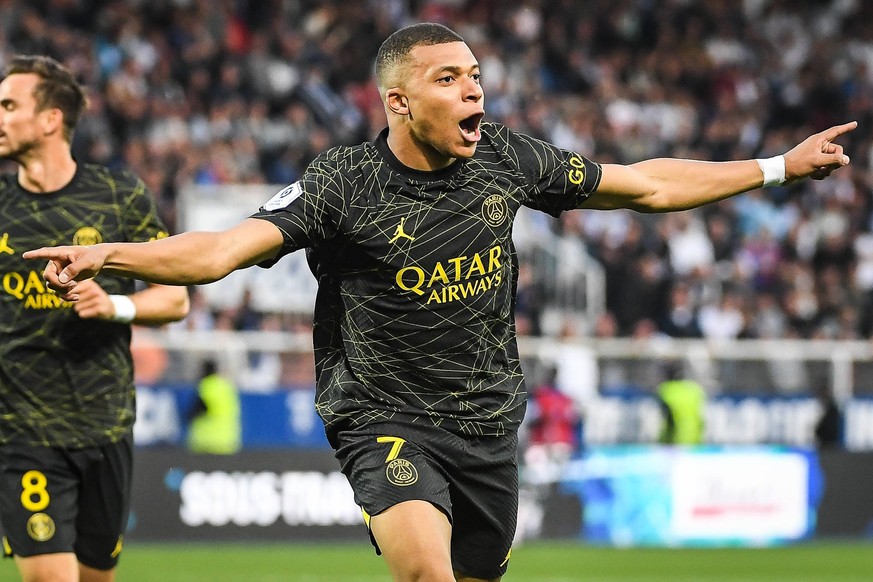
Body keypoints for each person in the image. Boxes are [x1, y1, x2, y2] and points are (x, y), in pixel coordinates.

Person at [25, 23, 855, 582]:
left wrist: (775, 167)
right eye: (449, 79)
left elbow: (643, 188)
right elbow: (213, 254)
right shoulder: (341, 184)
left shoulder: (506, 159)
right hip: (380, 413)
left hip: (486, 422)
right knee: (426, 572)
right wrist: (111, 252)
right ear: (397, 100)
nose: (474, 94)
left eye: (477, 79)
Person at [0, 55, 190, 582]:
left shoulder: (117, 196)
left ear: (50, 119)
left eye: (8, 105)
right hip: (22, 428)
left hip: (106, 423)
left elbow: (174, 300)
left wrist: (115, 306)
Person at [186, 359, 242, 454]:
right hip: (227, 441)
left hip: (207, 442)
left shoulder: (206, 386)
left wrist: (188, 415)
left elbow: (200, 409)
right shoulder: (227, 386)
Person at [656, 362, 706, 445]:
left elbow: (669, 419)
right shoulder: (695, 390)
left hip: (674, 442)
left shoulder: (666, 390)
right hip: (695, 440)